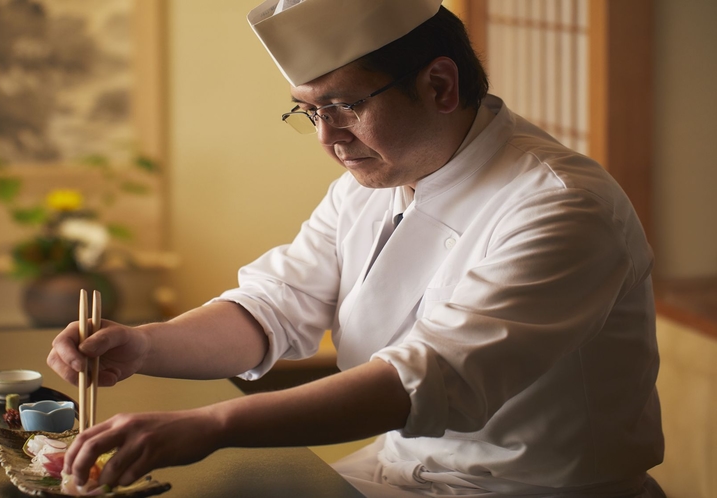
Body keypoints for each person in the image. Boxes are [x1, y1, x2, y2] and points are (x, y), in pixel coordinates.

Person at [47, 0, 666, 496]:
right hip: (397, 469)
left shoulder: (561, 205)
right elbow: (276, 305)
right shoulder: (372, 181)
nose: (329, 139)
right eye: (309, 113)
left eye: (345, 106)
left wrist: (215, 424)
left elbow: (431, 379)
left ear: (440, 85)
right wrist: (146, 344)